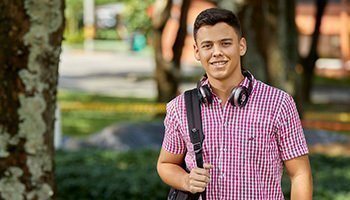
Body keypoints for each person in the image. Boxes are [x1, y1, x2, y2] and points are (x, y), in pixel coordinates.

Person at [157, 7, 312, 199]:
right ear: (197, 51)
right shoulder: (179, 107)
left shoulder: (279, 103)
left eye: (225, 43)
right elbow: (166, 164)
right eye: (207, 45)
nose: (217, 52)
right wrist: (186, 181)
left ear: (241, 46)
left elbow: (300, 174)